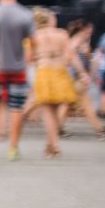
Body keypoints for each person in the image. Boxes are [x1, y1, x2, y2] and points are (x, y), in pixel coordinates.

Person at [0, 0, 35, 159]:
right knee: (16, 108)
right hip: (18, 68)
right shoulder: (25, 14)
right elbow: (34, 43)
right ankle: (13, 148)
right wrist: (27, 61)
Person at [28, 8, 76, 159]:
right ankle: (51, 144)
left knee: (48, 111)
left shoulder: (34, 36)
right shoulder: (62, 34)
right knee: (55, 110)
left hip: (43, 71)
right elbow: (70, 56)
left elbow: (29, 58)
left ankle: (53, 145)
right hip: (60, 71)